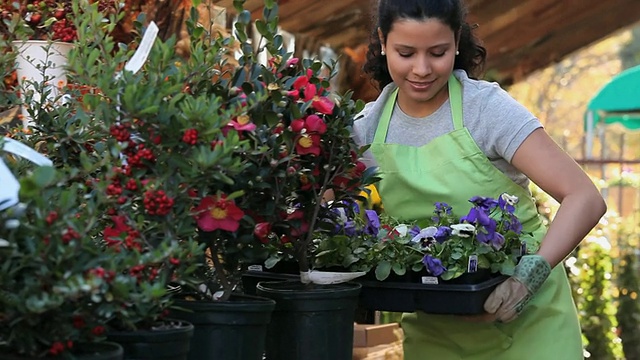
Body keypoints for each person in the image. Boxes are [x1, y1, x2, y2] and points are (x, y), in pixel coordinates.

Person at [353, 0, 607, 359]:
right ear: (382, 42)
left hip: (528, 324)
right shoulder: (365, 129)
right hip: (435, 328)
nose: (422, 69)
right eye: (406, 53)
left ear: (456, 41)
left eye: (437, 52)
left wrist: (526, 279)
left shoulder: (486, 110)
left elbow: (584, 197)